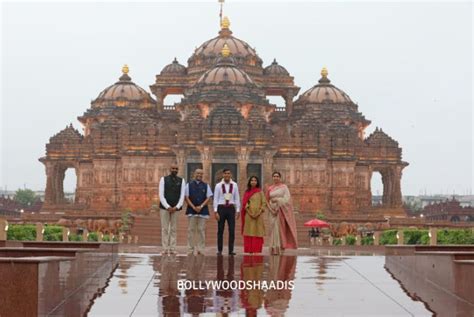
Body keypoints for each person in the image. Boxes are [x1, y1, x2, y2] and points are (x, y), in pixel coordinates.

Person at [266, 171, 298, 255]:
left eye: (277, 176)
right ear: (272, 178)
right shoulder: (270, 188)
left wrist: (278, 200)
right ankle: (273, 248)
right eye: (274, 176)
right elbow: (266, 200)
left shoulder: (284, 187)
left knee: (279, 229)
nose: (276, 178)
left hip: (281, 210)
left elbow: (287, 199)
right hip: (272, 210)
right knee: (272, 229)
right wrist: (271, 210)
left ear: (280, 178)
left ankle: (279, 248)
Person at [159, 164, 186, 255]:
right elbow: (161, 195)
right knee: (165, 229)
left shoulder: (181, 181)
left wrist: (177, 206)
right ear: (170, 169)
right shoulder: (163, 179)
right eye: (173, 168)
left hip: (176, 208)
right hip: (164, 208)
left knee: (174, 229)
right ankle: (165, 248)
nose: (174, 170)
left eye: (176, 169)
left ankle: (173, 248)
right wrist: (167, 206)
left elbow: (182, 195)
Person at [185, 168, 213, 255]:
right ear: (194, 174)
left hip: (202, 211)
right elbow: (186, 197)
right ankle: (190, 249)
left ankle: (201, 249)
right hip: (191, 210)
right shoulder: (188, 185)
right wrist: (193, 207)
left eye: (201, 174)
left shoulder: (206, 185)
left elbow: (208, 198)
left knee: (201, 230)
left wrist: (200, 206)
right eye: (198, 173)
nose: (199, 175)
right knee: (191, 230)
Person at [213, 169, 240, 256]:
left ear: (230, 175)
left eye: (228, 173)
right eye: (225, 174)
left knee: (231, 230)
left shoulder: (234, 185)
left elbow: (237, 198)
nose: (227, 175)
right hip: (221, 208)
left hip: (231, 208)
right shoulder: (218, 186)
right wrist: (215, 211)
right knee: (220, 230)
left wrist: (238, 210)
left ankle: (231, 250)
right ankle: (219, 250)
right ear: (223, 175)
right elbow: (215, 199)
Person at [241, 176, 266, 254]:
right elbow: (245, 203)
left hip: (258, 215)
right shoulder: (247, 192)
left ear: (257, 182)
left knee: (257, 232)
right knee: (249, 231)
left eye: (255, 180)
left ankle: (257, 249)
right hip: (249, 215)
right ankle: (249, 250)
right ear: (249, 182)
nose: (253, 182)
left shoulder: (260, 192)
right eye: (252, 180)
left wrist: (258, 212)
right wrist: (249, 212)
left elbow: (264, 203)